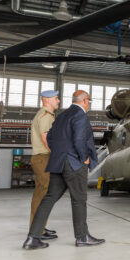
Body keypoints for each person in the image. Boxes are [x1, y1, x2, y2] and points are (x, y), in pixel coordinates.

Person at [23, 90, 103, 250]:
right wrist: (84, 157)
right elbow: (79, 139)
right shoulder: (80, 115)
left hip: (58, 163)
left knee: (49, 197)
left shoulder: (61, 116)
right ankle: (82, 237)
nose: (89, 104)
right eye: (89, 101)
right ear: (85, 101)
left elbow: (50, 138)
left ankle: (32, 238)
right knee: (79, 199)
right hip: (74, 163)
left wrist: (61, 153)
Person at [28, 90, 60, 241]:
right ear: (47, 100)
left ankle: (40, 227)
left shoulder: (44, 114)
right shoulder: (45, 116)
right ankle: (37, 230)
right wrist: (57, 155)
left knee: (42, 194)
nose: (58, 101)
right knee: (42, 195)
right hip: (43, 158)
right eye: (56, 98)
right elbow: (46, 138)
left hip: (41, 158)